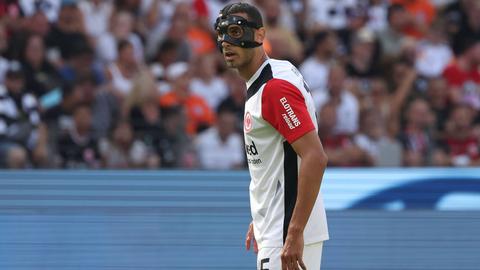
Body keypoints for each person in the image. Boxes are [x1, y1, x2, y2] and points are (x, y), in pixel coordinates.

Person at [215, 3, 329, 269]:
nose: (226, 42)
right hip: (279, 225)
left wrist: (293, 231)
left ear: (259, 35)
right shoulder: (278, 71)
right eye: (221, 34)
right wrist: (263, 213)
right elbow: (280, 156)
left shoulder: (273, 90)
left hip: (285, 234)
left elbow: (315, 157)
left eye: (235, 31)